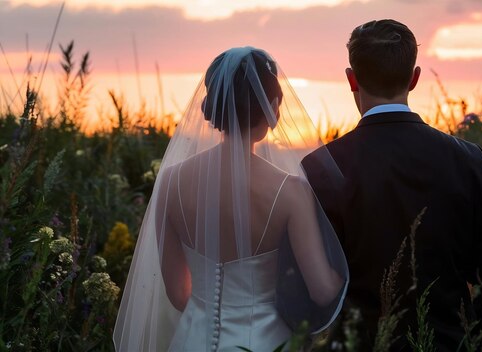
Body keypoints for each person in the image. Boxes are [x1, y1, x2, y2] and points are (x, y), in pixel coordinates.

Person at [114, 47, 348, 351]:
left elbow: (177, 293)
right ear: (272, 108)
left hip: (192, 339)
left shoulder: (171, 181)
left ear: (211, 107)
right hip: (265, 341)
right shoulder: (290, 192)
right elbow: (321, 290)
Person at [302, 19, 482, 351]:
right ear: (414, 79)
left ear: (351, 79)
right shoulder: (469, 159)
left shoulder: (320, 167)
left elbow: (308, 284)